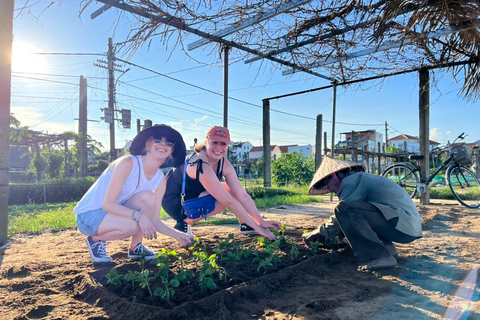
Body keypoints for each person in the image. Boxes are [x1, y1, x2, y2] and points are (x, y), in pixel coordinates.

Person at [74, 124, 193, 263]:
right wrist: (138, 216)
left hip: (114, 214)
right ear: (147, 145)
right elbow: (107, 204)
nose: (163, 144)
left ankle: (136, 247)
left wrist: (178, 235)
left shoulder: (160, 179)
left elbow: (154, 220)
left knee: (148, 197)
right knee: (133, 225)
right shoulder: (127, 163)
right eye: (158, 139)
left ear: (172, 150)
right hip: (89, 215)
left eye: (169, 142)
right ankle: (96, 240)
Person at [162, 125, 281, 240]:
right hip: (174, 201)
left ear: (228, 145)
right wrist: (259, 228)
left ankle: (246, 225)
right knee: (226, 194)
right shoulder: (200, 163)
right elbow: (229, 201)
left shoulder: (224, 164)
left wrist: (261, 221)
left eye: (223, 144)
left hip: (193, 196)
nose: (219, 148)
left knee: (230, 190)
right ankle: (184, 223)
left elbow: (242, 196)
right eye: (215, 143)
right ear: (207, 141)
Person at [303, 156, 422, 271]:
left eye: (326, 184)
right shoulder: (359, 178)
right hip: (407, 226)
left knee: (344, 209)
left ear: (334, 176)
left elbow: (343, 213)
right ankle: (388, 249)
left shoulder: (351, 181)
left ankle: (379, 256)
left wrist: (320, 232)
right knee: (351, 214)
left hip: (401, 224)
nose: (329, 189)